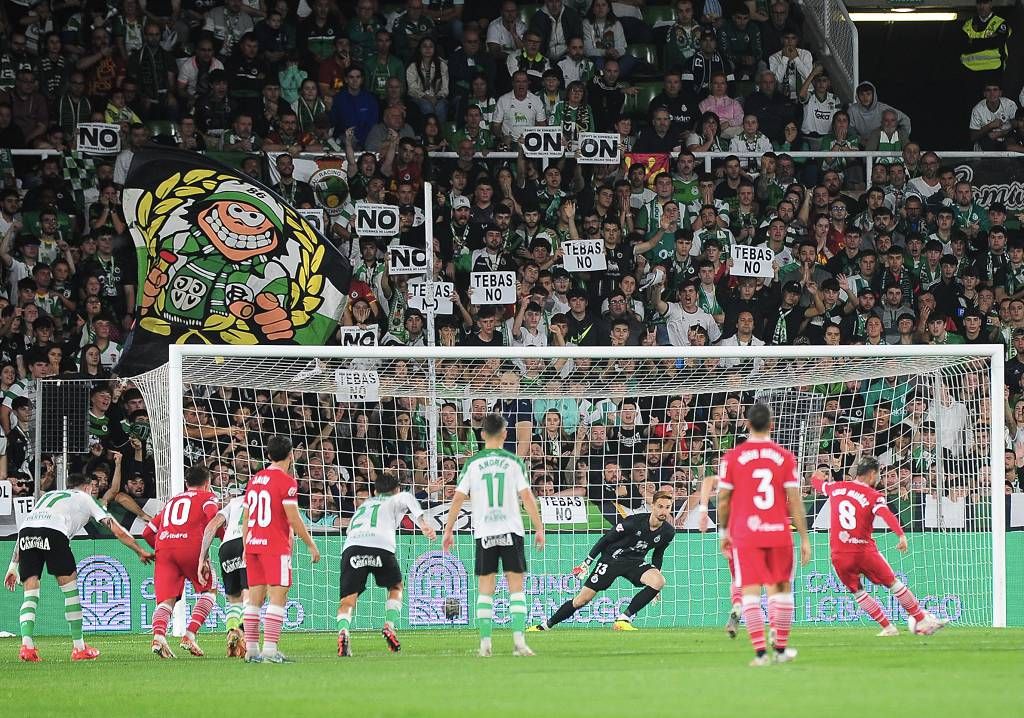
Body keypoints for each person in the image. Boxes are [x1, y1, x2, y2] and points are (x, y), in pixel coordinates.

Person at [4, 472, 154, 662]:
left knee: (30, 594)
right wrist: (139, 550)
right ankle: (79, 648)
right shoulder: (86, 498)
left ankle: (26, 646)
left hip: (26, 534)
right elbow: (116, 529)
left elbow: (29, 525)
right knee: (70, 592)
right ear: (87, 487)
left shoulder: (49, 496)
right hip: (55, 533)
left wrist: (12, 566)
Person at [442, 413, 544, 657]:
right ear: (505, 434)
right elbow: (527, 497)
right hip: (511, 529)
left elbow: (457, 497)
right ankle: (519, 642)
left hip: (485, 531)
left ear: (482, 434)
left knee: (485, 587)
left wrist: (448, 529)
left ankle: (485, 643)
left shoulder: (473, 463)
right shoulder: (513, 462)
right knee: (516, 587)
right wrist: (539, 527)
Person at [716, 403, 811, 666]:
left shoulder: (732, 458)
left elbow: (723, 500)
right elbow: (794, 500)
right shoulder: (785, 457)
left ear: (747, 424)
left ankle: (760, 654)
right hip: (778, 533)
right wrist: (804, 537)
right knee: (781, 591)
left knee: (750, 592)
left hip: (746, 534)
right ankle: (780, 650)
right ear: (772, 425)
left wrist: (724, 532)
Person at [811, 456, 949, 636]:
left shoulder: (836, 488)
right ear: (871, 474)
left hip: (839, 553)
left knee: (858, 592)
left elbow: (817, 484)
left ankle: (888, 627)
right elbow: (886, 514)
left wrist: (816, 476)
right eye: (878, 475)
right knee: (894, 585)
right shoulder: (873, 495)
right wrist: (900, 534)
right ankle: (921, 620)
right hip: (863, 551)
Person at [529, 491, 675, 632]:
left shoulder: (668, 532)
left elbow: (658, 554)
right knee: (581, 600)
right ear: (653, 506)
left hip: (634, 562)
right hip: (612, 559)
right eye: (660, 506)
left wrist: (654, 586)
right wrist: (587, 562)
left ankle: (623, 619)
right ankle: (545, 625)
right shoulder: (633, 522)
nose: (663, 511)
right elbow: (606, 539)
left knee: (658, 581)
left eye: (667, 507)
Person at [336, 471, 436, 657]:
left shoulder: (363, 506)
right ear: (396, 489)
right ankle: (389, 626)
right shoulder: (398, 497)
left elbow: (350, 529)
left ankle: (343, 631)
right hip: (380, 545)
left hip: (352, 547)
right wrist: (423, 525)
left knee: (348, 599)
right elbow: (408, 498)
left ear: (374, 491)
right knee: (396, 586)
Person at [242, 435, 321, 663]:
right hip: (274, 546)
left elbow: (246, 516)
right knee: (278, 596)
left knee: (254, 599)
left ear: (268, 455)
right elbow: (293, 518)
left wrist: (245, 545)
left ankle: (251, 650)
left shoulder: (255, 479)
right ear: (290, 455)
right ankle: (269, 650)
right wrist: (310, 544)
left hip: (253, 544)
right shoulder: (287, 482)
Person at [142, 464, 221, 659]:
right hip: (191, 547)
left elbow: (147, 532)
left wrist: (162, 550)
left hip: (165, 550)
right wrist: (224, 536)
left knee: (165, 602)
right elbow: (214, 518)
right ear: (208, 482)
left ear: (186, 483)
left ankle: (159, 636)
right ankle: (190, 634)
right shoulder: (208, 497)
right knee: (209, 589)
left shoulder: (172, 501)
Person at [197, 492, 249, 658]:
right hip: (248, 543)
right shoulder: (263, 500)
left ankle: (231, 631)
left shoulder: (233, 503)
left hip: (226, 548)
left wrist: (202, 557)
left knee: (234, 599)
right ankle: (242, 633)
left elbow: (212, 526)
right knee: (251, 595)